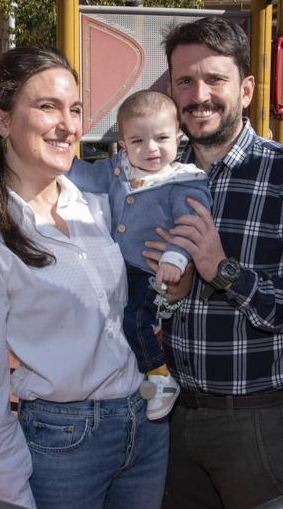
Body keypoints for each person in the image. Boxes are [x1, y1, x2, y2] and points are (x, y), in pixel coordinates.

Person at [0, 47, 169, 509]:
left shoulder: (96, 207)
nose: (68, 125)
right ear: (1, 120)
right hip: (65, 443)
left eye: (75, 109)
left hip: (144, 423)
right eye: (48, 107)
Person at [149, 16, 283, 509]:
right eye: (185, 81)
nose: (199, 96)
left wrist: (225, 272)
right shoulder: (160, 177)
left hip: (255, 422)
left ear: (245, 89)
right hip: (174, 412)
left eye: (214, 79)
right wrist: (168, 294)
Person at [67, 89, 211, 420]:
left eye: (161, 138)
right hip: (117, 267)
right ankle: (135, 375)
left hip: (150, 269)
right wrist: (57, 162)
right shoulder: (118, 170)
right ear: (123, 145)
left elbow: (190, 223)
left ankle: (160, 376)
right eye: (138, 141)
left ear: (178, 138)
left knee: (134, 320)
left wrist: (175, 258)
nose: (151, 149)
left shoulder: (182, 180)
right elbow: (84, 175)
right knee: (107, 320)